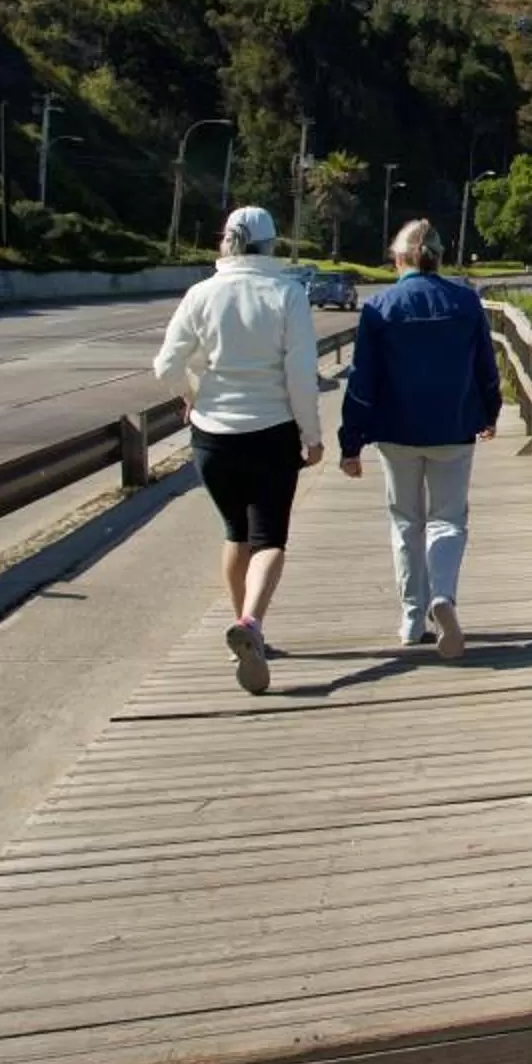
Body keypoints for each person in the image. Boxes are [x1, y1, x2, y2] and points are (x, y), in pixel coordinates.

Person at [153, 203, 321, 695]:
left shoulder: (200, 294)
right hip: (271, 432)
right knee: (269, 537)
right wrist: (311, 436)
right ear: (271, 246)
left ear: (225, 242)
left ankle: (243, 624)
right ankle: (251, 623)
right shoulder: (287, 294)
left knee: (235, 532)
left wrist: (191, 394)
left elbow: (165, 366)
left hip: (212, 437)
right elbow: (299, 376)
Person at [337, 217, 500, 660]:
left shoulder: (380, 307)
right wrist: (491, 412)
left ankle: (412, 619)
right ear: (439, 257)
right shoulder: (467, 303)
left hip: (395, 432)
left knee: (406, 521)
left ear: (399, 257)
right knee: (448, 519)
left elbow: (361, 381)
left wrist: (350, 442)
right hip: (453, 428)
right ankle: (442, 596)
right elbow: (487, 369)